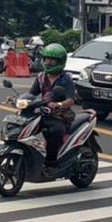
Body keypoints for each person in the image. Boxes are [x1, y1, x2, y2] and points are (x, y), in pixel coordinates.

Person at [29, 43, 77, 173]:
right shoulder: (41, 77)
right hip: (43, 113)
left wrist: (59, 104)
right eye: (46, 59)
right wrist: (19, 99)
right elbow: (32, 94)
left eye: (52, 59)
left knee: (55, 131)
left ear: (60, 61)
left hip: (60, 115)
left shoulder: (66, 79)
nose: (48, 62)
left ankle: (51, 164)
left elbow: (71, 99)